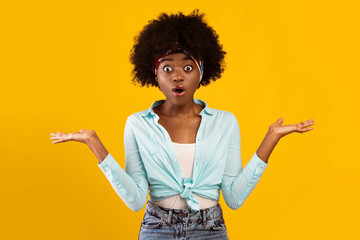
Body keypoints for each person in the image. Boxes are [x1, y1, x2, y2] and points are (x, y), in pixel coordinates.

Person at [50, 9, 314, 240]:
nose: (177, 76)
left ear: (201, 72)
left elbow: (234, 197)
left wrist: (271, 138)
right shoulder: (137, 125)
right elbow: (134, 200)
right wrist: (95, 145)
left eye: (187, 68)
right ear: (155, 75)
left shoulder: (225, 122)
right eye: (167, 68)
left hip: (210, 230)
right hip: (157, 229)